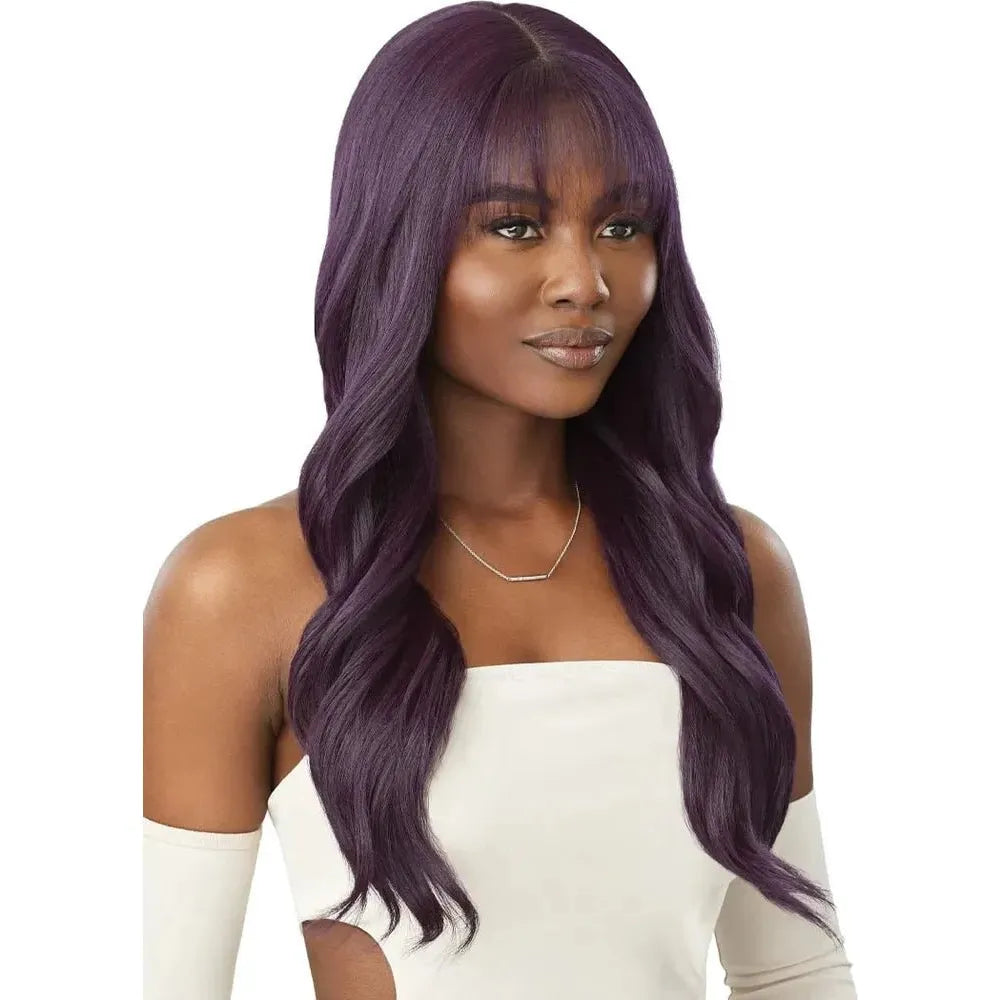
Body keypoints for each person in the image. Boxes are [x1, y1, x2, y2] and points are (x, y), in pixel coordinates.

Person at [143, 3, 858, 997]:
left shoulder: (725, 572)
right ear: (398, 243)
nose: (583, 280)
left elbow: (795, 972)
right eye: (515, 226)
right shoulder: (243, 587)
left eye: (622, 226)